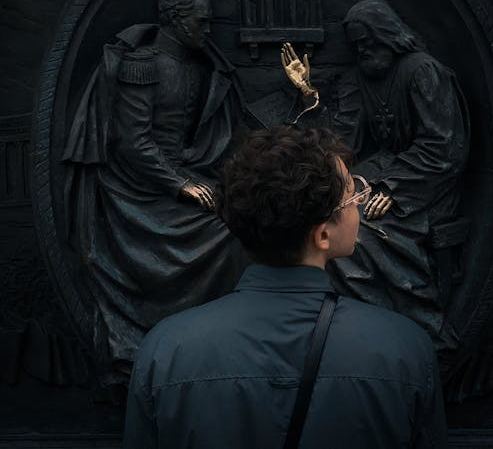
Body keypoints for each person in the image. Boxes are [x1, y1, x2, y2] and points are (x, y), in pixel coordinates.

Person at [124, 125, 447, 448]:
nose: (360, 205)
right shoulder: (403, 350)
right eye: (354, 195)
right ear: (322, 235)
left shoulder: (165, 351)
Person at [63, 0, 250, 386]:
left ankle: (208, 340)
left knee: (240, 225)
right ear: (174, 19)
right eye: (201, 21)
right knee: (226, 230)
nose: (208, 29)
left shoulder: (199, 64)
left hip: (184, 175)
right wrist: (180, 184)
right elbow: (134, 143)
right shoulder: (141, 65)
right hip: (138, 189)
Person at [281, 0, 470, 352]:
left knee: (356, 237)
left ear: (388, 34)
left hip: (426, 184)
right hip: (380, 175)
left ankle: (413, 328)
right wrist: (308, 94)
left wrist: (393, 188)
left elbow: (444, 147)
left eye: (368, 41)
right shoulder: (361, 78)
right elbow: (342, 145)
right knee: (321, 219)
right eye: (356, 46)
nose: (363, 50)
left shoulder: (423, 71)